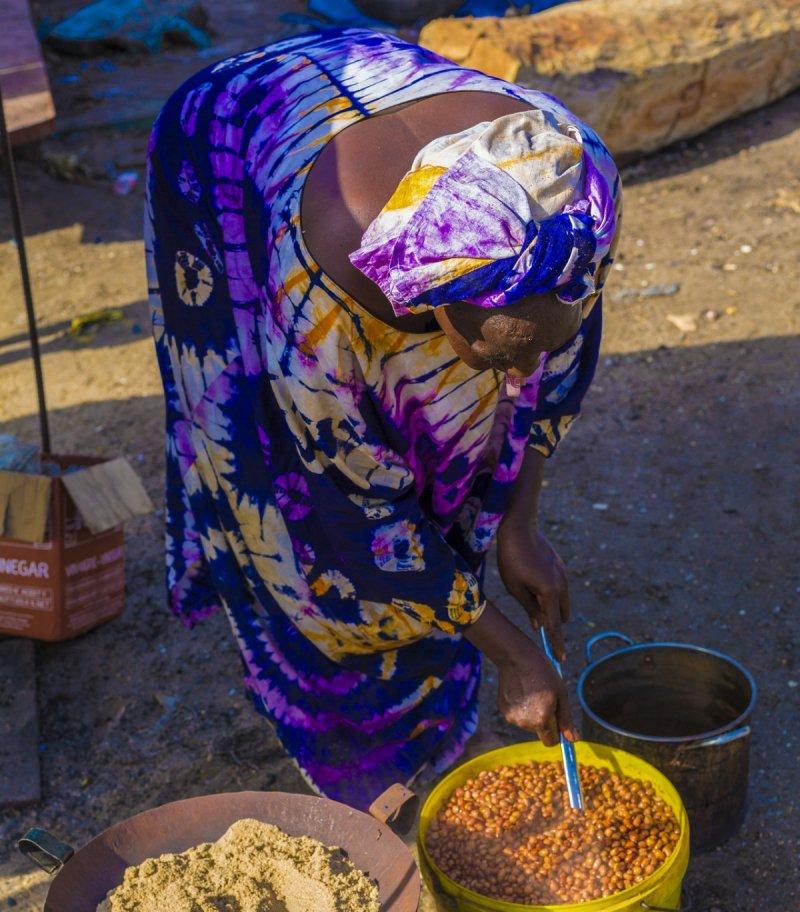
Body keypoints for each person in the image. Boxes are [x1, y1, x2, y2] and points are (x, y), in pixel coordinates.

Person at [145, 29, 621, 809]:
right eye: (500, 354)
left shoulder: (574, 196)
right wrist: (511, 652)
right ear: (435, 297)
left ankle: (451, 595)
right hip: (231, 137)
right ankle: (353, 705)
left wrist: (518, 526)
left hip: (382, 90)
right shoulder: (318, 310)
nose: (522, 378)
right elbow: (354, 508)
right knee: (280, 487)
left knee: (459, 422)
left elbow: (552, 362)